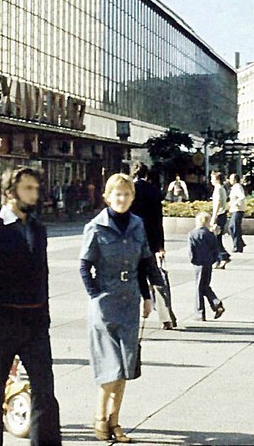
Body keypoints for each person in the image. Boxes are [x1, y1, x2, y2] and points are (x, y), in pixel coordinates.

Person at [0, 167, 61, 446]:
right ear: (10, 192)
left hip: (34, 324)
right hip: (1, 324)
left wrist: (44, 317)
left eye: (36, 188)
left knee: (45, 393)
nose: (34, 194)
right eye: (28, 188)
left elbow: (42, 276)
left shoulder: (38, 229)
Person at [79, 173, 159, 443]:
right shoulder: (95, 227)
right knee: (110, 367)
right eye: (117, 194)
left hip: (130, 301)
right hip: (106, 304)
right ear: (107, 197)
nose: (122, 199)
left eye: (126, 194)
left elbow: (145, 264)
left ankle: (115, 421)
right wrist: (95, 295)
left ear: (132, 198)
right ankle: (100, 417)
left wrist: (147, 298)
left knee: (125, 366)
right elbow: (84, 266)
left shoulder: (137, 225)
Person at [128, 162, 174, 329]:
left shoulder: (129, 190)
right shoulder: (153, 190)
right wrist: (160, 245)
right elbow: (157, 220)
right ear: (146, 174)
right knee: (156, 279)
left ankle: (131, 315)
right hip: (149, 241)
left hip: (131, 240)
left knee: (130, 278)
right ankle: (166, 317)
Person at [189, 211, 225, 321]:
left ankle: (200, 313)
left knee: (199, 288)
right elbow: (215, 249)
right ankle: (216, 304)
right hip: (208, 262)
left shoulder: (193, 234)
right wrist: (213, 260)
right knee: (205, 285)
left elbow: (191, 250)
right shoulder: (210, 234)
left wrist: (193, 260)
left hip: (198, 263)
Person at [209, 171, 231, 268]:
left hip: (219, 215)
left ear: (216, 179)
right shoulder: (221, 188)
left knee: (216, 239)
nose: (211, 181)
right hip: (222, 215)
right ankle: (218, 259)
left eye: (212, 178)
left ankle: (223, 257)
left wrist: (214, 217)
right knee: (215, 238)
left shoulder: (218, 189)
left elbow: (217, 203)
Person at [228, 173, 247, 253]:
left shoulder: (237, 187)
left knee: (233, 227)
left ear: (235, 180)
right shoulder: (235, 187)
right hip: (235, 210)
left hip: (238, 210)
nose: (229, 180)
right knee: (234, 227)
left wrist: (235, 203)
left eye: (230, 179)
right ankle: (240, 243)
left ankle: (237, 245)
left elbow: (242, 196)